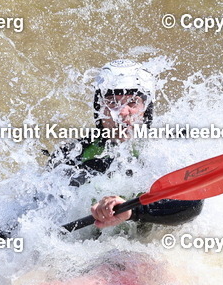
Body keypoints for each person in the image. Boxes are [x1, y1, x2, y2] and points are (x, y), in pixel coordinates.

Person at [47, 59, 203, 230]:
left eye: (132, 102)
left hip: (150, 239)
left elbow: (193, 204)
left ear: (146, 109)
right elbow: (38, 214)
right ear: (99, 108)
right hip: (93, 242)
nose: (121, 112)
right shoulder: (71, 155)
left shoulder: (166, 148)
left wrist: (133, 212)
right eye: (112, 102)